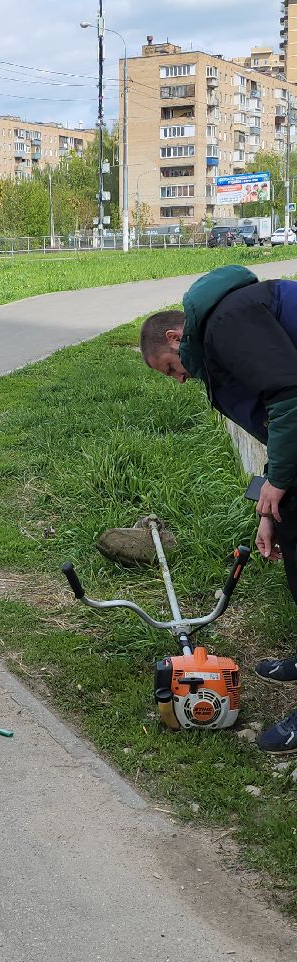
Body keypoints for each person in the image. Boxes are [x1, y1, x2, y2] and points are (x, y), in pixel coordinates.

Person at [139, 263, 297, 756]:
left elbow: (291, 395)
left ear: (174, 336)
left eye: (169, 368)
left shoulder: (228, 321)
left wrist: (280, 480)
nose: (179, 380)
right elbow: (277, 416)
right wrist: (271, 506)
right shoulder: (221, 335)